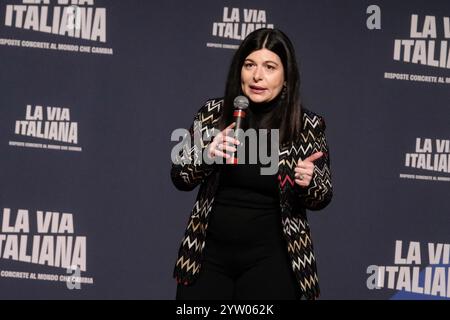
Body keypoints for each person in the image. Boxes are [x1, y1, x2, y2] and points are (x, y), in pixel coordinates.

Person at [170, 28, 332, 300]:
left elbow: (322, 195)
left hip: (272, 260)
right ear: (239, 71)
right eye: (249, 65)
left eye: (270, 67)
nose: (257, 76)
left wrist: (310, 182)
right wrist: (205, 154)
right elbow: (179, 176)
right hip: (207, 257)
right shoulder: (213, 113)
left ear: (286, 77)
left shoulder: (306, 126)